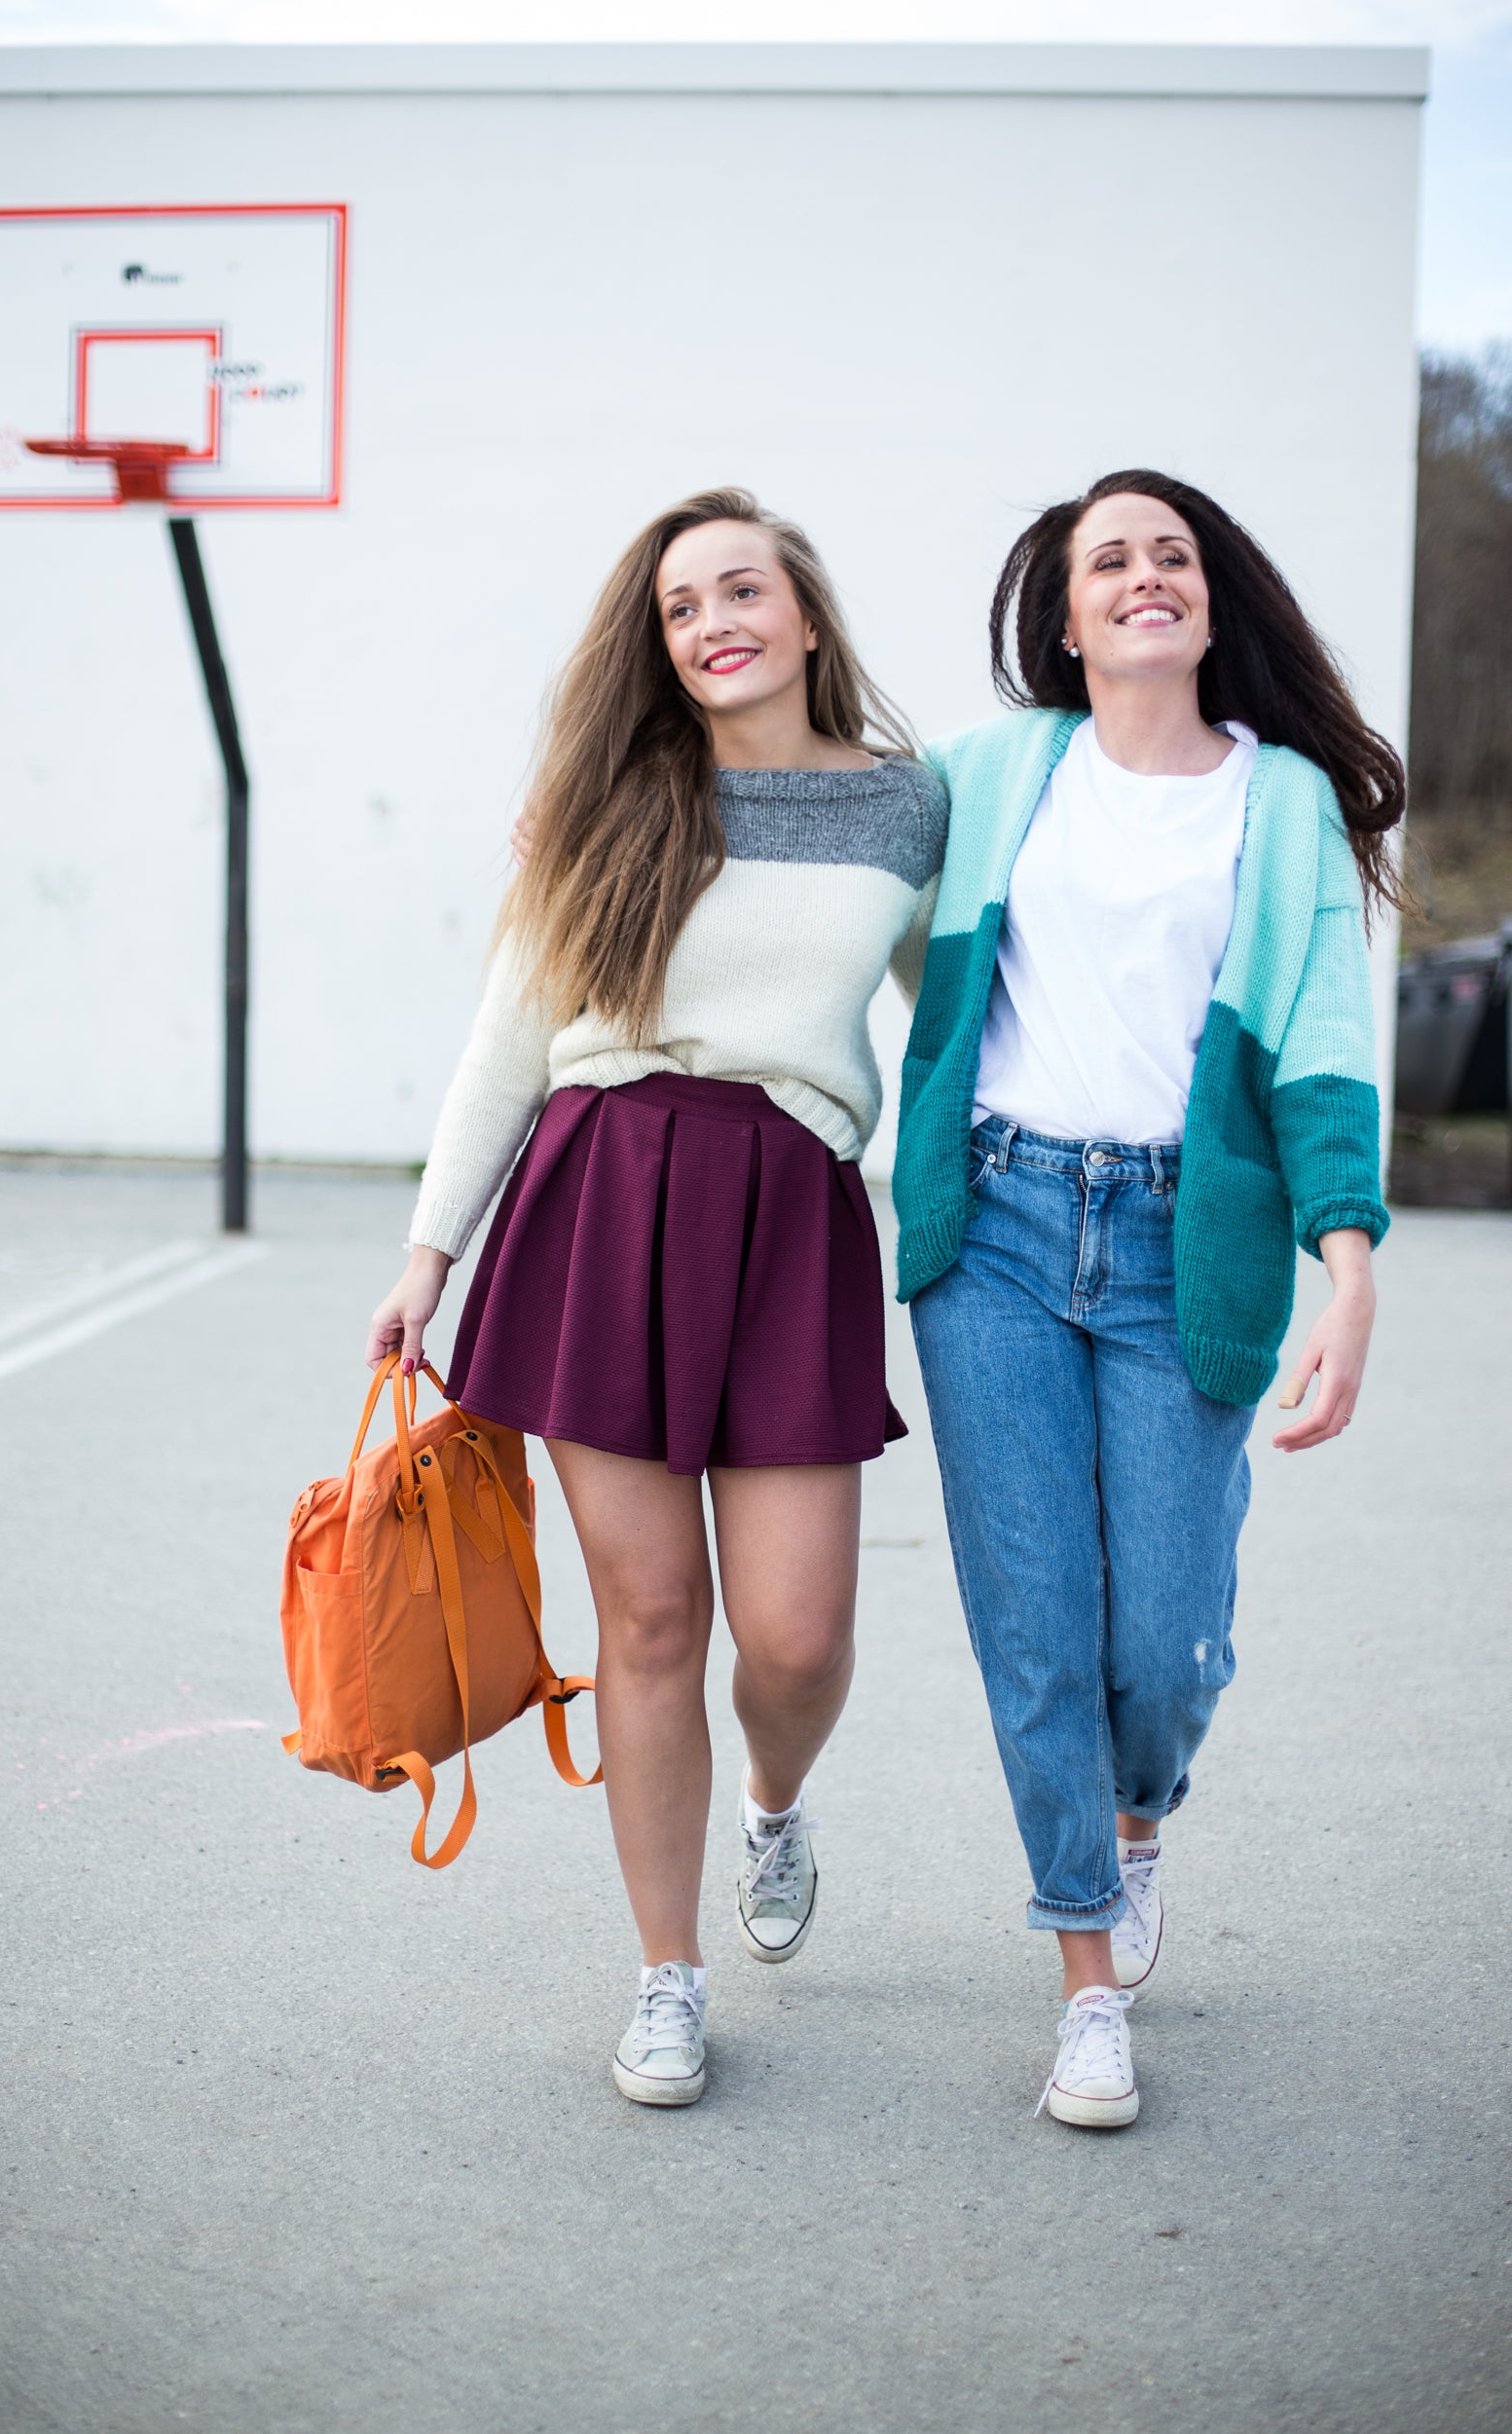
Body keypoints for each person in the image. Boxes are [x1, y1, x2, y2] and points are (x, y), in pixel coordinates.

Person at [367, 488, 946, 2107]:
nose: (712, 624)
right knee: (649, 1614)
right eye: (682, 608)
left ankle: (775, 1795)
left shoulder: (910, 810)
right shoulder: (612, 799)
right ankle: (666, 1975)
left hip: (791, 1213)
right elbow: (511, 1029)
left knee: (798, 1632)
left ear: (809, 620)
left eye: (740, 591)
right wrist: (432, 1252)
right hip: (604, 1191)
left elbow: (961, 1025)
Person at [894, 469, 1403, 2129]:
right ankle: (1085, 1978)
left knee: (1165, 1648)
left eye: (1169, 554)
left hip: (1190, 1232)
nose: (1141, 577)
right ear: (1064, 613)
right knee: (1035, 1625)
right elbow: (818, 861)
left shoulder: (1288, 804)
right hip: (999, 1229)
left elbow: (1322, 1042)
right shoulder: (987, 776)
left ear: (1208, 595)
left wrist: (1348, 1263)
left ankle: (1136, 1820)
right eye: (1107, 560)